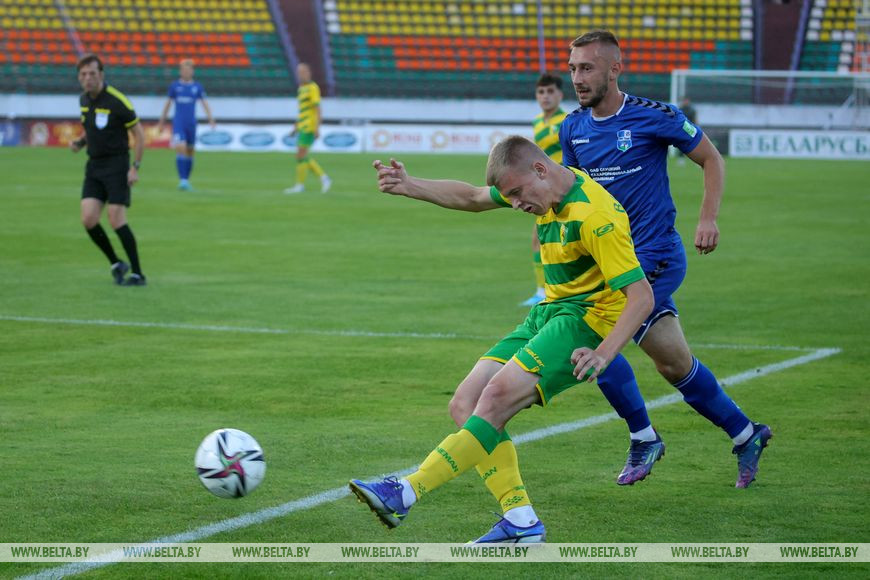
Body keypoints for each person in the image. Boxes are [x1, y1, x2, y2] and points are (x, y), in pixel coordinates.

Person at [351, 136, 654, 542]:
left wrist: (604, 353)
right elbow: (473, 196)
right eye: (509, 196)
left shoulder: (595, 216)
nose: (514, 204)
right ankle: (521, 520)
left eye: (517, 194)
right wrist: (411, 185)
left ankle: (405, 492)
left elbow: (642, 297)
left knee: (494, 398)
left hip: (587, 319)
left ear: (540, 170)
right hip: (550, 312)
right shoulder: (542, 187)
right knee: (465, 403)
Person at [561, 30, 770, 488]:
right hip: (611, 263)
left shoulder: (653, 115)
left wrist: (707, 218)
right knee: (674, 364)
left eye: (587, 67)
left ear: (615, 69)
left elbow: (711, 158)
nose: (577, 77)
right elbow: (578, 197)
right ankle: (746, 434)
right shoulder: (572, 127)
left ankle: (643, 436)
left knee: (596, 332)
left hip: (655, 256)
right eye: (573, 68)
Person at [70, 53, 147, 286]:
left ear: (101, 75)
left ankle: (138, 274)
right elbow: (90, 127)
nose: (88, 78)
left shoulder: (117, 101)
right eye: (83, 74)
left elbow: (139, 135)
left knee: (116, 218)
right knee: (88, 219)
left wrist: (135, 167)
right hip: (94, 165)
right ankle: (116, 263)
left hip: (117, 164)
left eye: (92, 73)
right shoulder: (84, 100)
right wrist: (80, 142)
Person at [521, 73, 568, 307]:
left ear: (560, 95)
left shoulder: (567, 121)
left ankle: (549, 291)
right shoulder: (538, 121)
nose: (545, 96)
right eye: (541, 92)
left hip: (563, 190)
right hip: (545, 191)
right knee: (539, 240)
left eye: (550, 91)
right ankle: (544, 291)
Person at [156, 58, 215, 191]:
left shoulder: (197, 87)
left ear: (192, 71)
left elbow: (204, 103)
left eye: (189, 70)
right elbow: (167, 104)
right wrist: (161, 122)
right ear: (180, 71)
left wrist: (211, 119)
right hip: (179, 123)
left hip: (191, 124)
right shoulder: (175, 86)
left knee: (190, 152)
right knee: (181, 148)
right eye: (184, 70)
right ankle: (182, 180)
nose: (186, 72)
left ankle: (186, 180)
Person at [284, 63, 331, 194]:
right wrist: (295, 127)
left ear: (308, 73)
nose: (300, 74)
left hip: (310, 126)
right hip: (302, 126)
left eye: (303, 71)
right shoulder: (301, 89)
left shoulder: (312, 87)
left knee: (301, 155)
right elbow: (302, 111)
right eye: (298, 72)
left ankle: (305, 184)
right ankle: (322, 179)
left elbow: (317, 109)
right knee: (301, 156)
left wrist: (317, 127)